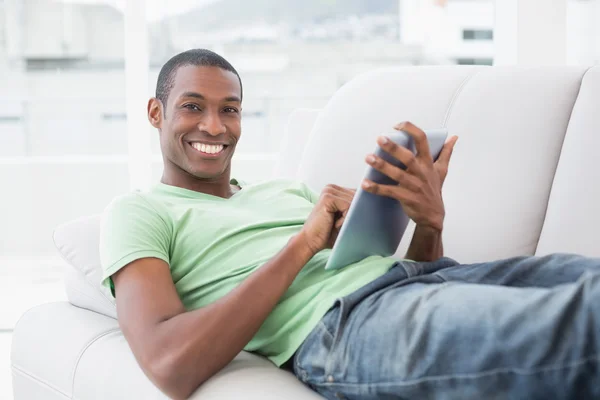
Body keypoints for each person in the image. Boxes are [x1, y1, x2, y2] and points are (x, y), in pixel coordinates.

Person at [100, 49, 600, 400]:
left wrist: (429, 223)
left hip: (427, 280)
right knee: (580, 321)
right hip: (342, 328)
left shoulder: (286, 192)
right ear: (155, 112)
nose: (214, 126)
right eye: (193, 107)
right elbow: (168, 365)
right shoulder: (139, 211)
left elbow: (406, 278)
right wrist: (303, 244)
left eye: (228, 110)